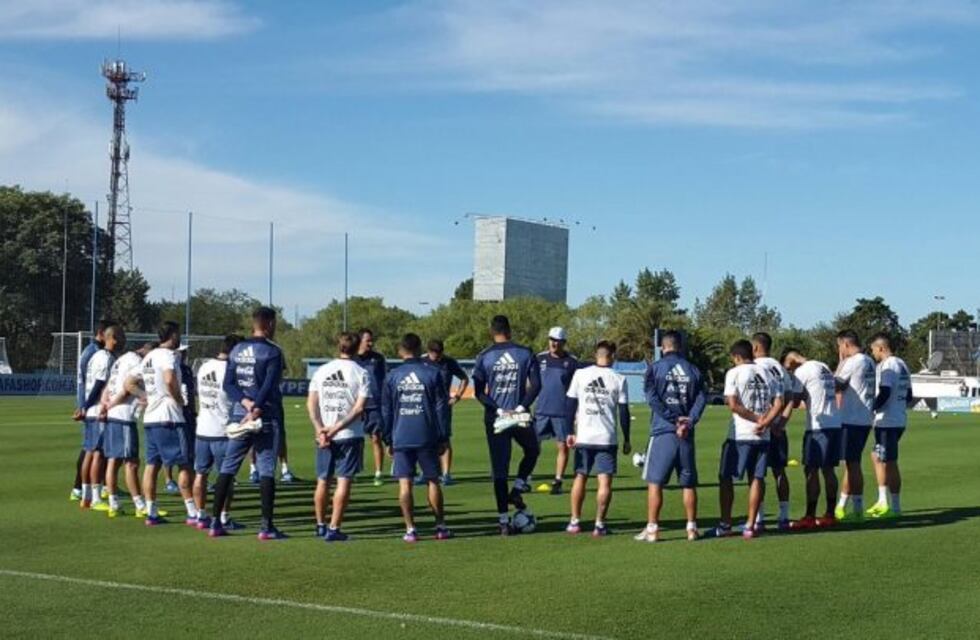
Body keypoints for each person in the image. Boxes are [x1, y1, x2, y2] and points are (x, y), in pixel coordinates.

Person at [211, 307, 286, 540]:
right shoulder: (272, 352)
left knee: (228, 467)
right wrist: (255, 409)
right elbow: (270, 386)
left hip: (238, 414)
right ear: (270, 324)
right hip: (266, 415)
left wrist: (244, 403)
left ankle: (215, 523)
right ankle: (266, 526)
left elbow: (228, 384)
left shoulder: (237, 350)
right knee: (265, 469)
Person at [471, 314, 541, 535]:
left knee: (499, 470)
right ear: (509, 330)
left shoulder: (484, 356)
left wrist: (499, 409)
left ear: (492, 332)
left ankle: (503, 522)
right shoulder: (525, 352)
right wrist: (520, 407)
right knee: (532, 449)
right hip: (519, 416)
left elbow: (479, 393)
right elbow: (536, 385)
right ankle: (518, 487)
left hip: (496, 418)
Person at [382, 333, 452, 542]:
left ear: (400, 350)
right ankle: (440, 526)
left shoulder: (392, 376)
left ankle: (411, 529)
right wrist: (443, 436)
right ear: (420, 347)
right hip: (427, 435)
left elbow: (386, 410)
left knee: (405, 484)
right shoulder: (433, 373)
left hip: (401, 435)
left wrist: (388, 438)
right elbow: (441, 408)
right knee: (433, 481)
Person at [637, 331, 705, 542]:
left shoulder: (655, 369)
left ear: (662, 347)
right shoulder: (693, 369)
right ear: (680, 346)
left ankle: (652, 529)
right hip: (685, 433)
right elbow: (702, 398)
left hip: (663, 431)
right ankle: (691, 528)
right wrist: (688, 420)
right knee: (688, 483)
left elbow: (652, 399)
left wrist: (673, 419)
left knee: (655, 482)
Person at [130, 321, 197, 526]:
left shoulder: (148, 357)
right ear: (173, 335)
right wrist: (178, 399)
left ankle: (151, 511)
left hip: (150, 418)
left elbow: (129, 383)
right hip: (169, 416)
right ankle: (192, 511)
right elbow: (169, 380)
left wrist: (146, 396)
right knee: (185, 463)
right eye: (178, 335)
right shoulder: (168, 356)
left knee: (152, 465)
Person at [713, 340, 781, 540]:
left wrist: (756, 419)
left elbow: (733, 404)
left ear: (736, 357)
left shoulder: (734, 373)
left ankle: (726, 523)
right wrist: (766, 421)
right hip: (763, 435)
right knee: (757, 478)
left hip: (741, 434)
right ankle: (751, 524)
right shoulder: (768, 372)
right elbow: (779, 402)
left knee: (726, 477)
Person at [307, 332, 370, 542]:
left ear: (339, 346)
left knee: (322, 480)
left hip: (324, 434)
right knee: (343, 481)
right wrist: (336, 428)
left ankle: (320, 524)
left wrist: (320, 428)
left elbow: (311, 403)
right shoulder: (361, 372)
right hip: (349, 434)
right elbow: (359, 408)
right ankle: (334, 528)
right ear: (356, 348)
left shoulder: (322, 370)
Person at [565, 340, 630, 537]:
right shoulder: (619, 378)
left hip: (583, 435)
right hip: (606, 437)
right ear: (613, 356)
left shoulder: (580, 374)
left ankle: (574, 521)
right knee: (604, 482)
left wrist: (569, 431)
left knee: (580, 476)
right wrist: (627, 438)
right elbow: (624, 412)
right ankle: (599, 524)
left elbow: (569, 404)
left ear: (596, 355)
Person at [783, 349, 842, 528]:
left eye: (787, 367)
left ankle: (810, 515)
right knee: (829, 470)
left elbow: (794, 401)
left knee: (811, 469)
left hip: (818, 426)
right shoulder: (822, 366)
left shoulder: (802, 371)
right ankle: (830, 513)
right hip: (834, 422)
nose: (789, 371)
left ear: (791, 360)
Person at [192, 335, 242, 531]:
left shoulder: (204, 367)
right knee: (226, 477)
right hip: (223, 430)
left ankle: (200, 514)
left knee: (200, 474)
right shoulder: (231, 371)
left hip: (203, 428)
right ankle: (223, 516)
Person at [100, 334, 148, 518]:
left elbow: (108, 387)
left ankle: (114, 504)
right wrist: (145, 396)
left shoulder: (119, 360)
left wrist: (105, 405)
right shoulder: (137, 362)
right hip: (124, 415)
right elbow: (128, 388)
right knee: (132, 463)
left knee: (114, 460)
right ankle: (139, 505)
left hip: (113, 415)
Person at [866, 333, 912, 519]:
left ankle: (893, 506)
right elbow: (909, 395)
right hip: (898, 418)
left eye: (873, 350)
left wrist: (871, 408)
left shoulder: (887, 365)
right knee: (876, 456)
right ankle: (883, 499)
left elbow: (885, 391)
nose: (873, 354)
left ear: (881, 348)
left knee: (889, 461)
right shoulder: (902, 364)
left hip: (887, 421)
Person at [833, 330, 876, 521]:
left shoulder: (853, 361)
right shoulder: (868, 361)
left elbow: (836, 385)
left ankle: (857, 509)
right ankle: (844, 506)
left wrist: (840, 362)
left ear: (845, 344)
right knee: (852, 463)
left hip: (852, 418)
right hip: (864, 417)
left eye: (839, 346)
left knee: (853, 464)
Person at [750, 332, 791, 530]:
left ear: (756, 347)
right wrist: (781, 422)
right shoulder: (779, 368)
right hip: (778, 428)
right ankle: (784, 516)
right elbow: (790, 398)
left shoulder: (756, 367)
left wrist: (765, 422)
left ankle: (758, 518)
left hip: (761, 427)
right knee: (779, 471)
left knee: (757, 474)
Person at [79, 323, 120, 511]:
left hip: (90, 411)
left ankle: (86, 495)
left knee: (89, 451)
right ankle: (95, 497)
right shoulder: (105, 358)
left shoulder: (96, 355)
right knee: (98, 454)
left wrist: (84, 408)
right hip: (97, 411)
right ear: (111, 338)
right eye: (120, 336)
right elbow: (98, 385)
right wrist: (86, 406)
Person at [533, 327, 579, 495]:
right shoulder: (540, 358)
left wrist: (576, 413)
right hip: (541, 411)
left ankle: (558, 480)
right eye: (551, 339)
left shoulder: (572, 362)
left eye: (557, 340)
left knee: (562, 447)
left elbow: (576, 389)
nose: (554, 343)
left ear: (563, 342)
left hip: (562, 411)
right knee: (533, 445)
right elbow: (532, 383)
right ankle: (527, 477)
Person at [70, 320, 110, 501]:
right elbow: (88, 382)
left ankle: (94, 486)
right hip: (92, 405)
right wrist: (83, 406)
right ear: (101, 333)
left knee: (93, 448)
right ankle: (80, 487)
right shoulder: (96, 353)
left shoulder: (91, 351)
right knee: (92, 449)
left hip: (90, 404)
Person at [424, 339, 469, 485]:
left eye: (440, 354)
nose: (437, 357)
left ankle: (446, 474)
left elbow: (464, 378)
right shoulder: (421, 361)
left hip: (442, 406)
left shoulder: (449, 362)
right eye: (435, 354)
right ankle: (427, 472)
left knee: (444, 439)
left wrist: (457, 396)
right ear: (429, 352)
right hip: (424, 406)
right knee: (425, 440)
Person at [357, 328, 388, 486]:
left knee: (376, 438)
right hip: (356, 406)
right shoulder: (353, 358)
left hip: (374, 404)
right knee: (355, 439)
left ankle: (378, 472)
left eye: (371, 340)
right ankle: (354, 470)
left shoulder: (378, 358)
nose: (370, 343)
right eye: (367, 340)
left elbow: (384, 380)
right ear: (360, 340)